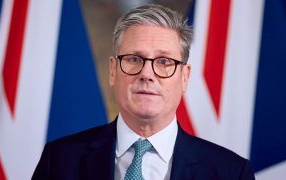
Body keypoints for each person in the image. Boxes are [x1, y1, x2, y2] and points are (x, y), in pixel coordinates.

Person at [32, 4, 255, 180]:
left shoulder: (231, 172)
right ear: (113, 70)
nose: (147, 74)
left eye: (164, 61)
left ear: (184, 77)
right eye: (134, 59)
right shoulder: (60, 160)